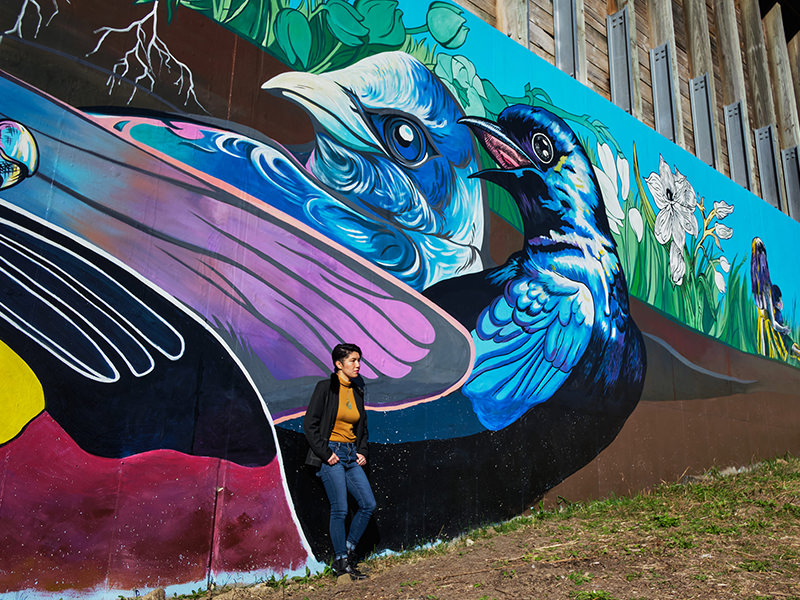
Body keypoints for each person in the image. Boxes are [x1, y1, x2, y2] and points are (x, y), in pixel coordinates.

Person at [304, 343, 376, 579]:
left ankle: (347, 551)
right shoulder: (325, 388)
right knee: (340, 509)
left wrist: (362, 450)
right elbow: (310, 425)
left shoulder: (357, 391)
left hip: (351, 454)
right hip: (332, 455)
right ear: (338, 364)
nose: (358, 365)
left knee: (368, 504)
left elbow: (362, 426)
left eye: (359, 360)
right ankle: (342, 562)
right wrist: (326, 453)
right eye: (353, 360)